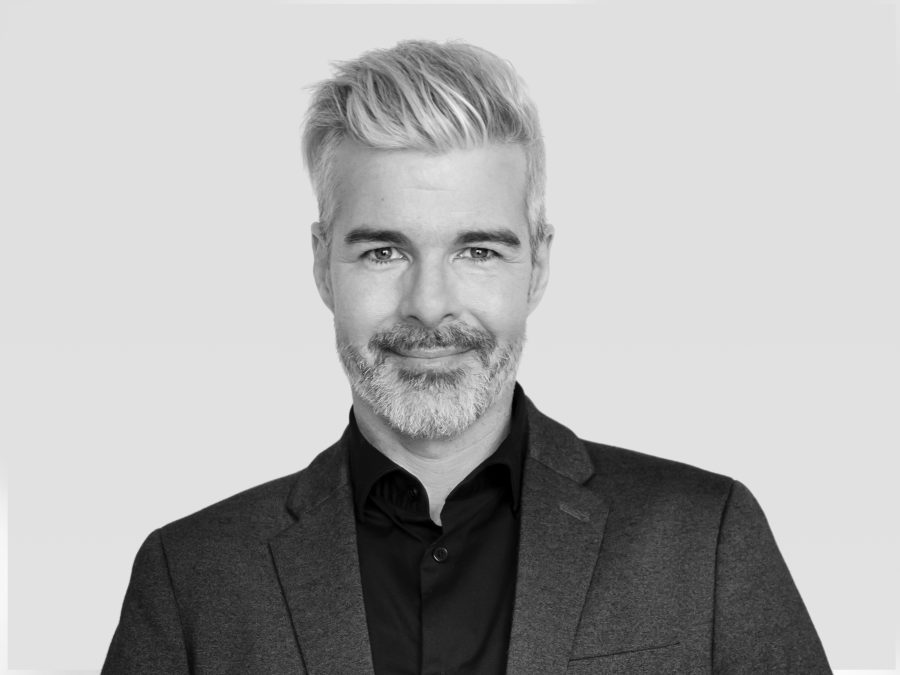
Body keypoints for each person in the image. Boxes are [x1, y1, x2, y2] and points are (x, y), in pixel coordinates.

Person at [102, 40, 830, 674]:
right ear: (323, 265)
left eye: (477, 251)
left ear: (537, 265)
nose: (429, 304)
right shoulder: (190, 577)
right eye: (383, 251)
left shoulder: (705, 541)